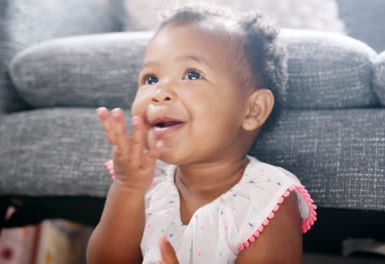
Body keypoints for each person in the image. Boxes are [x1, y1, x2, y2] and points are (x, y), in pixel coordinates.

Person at [87, 3, 316, 264]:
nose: (159, 92)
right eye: (150, 78)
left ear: (252, 110)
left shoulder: (267, 199)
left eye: (192, 74)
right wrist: (127, 188)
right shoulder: (143, 181)